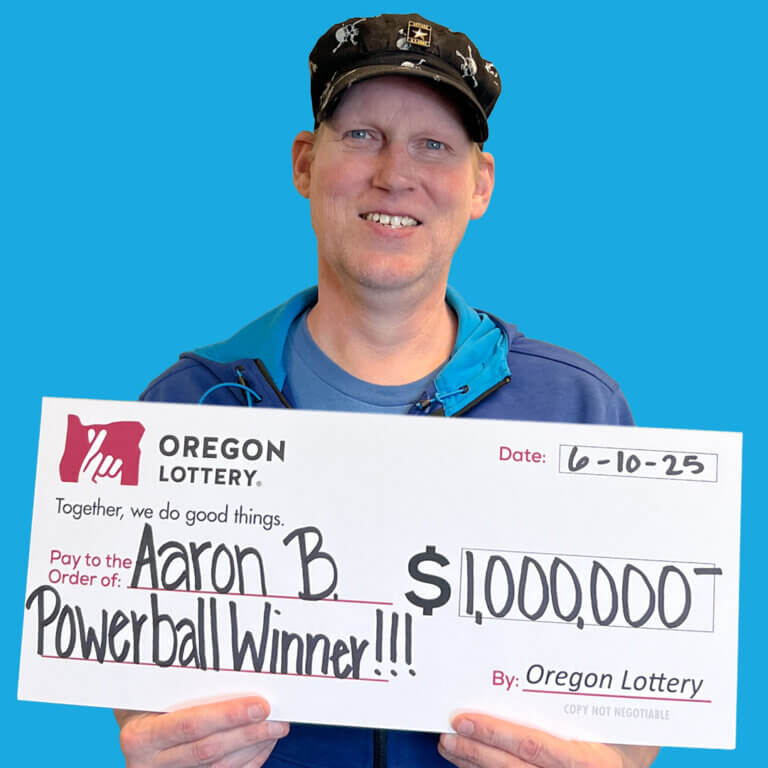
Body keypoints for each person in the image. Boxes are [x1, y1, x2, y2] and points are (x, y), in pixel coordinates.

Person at [115, 13, 658, 768]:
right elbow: (141, 693)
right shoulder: (187, 406)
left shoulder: (580, 410)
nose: (395, 174)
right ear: (305, 163)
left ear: (480, 184)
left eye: (434, 145)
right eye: (363, 135)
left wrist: (615, 765)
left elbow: (635, 713)